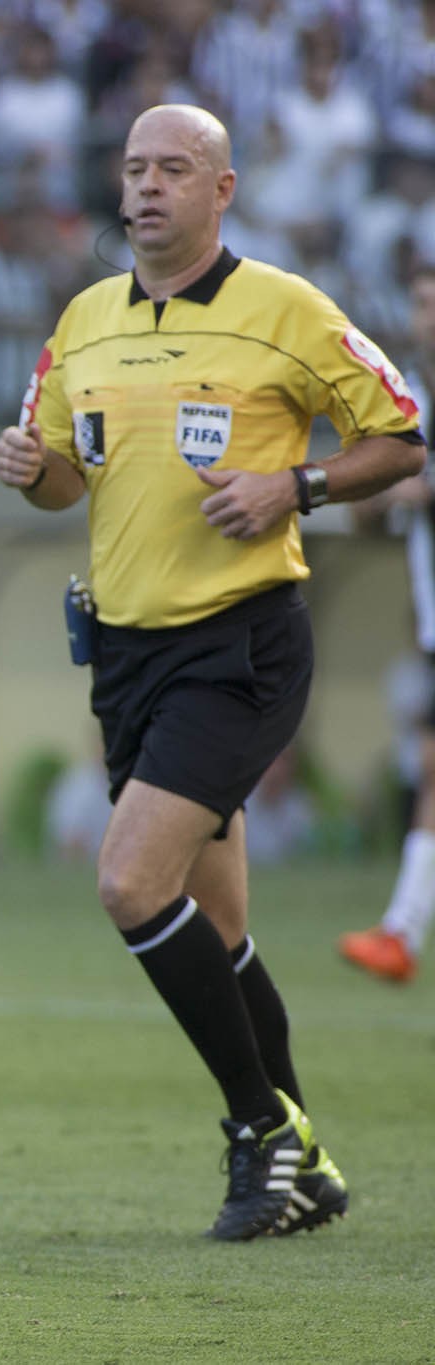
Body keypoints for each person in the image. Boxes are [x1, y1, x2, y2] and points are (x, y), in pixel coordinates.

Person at [0, 105, 423, 1241]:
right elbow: (60, 483)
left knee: (129, 884)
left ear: (220, 188)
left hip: (237, 645)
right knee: (215, 930)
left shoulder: (286, 310)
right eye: (132, 168)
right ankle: (308, 1161)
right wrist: (29, 468)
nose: (146, 188)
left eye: (173, 169)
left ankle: (258, 1129)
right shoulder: (83, 318)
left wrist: (299, 487)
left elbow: (401, 437)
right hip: (125, 654)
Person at [342, 260, 435, 985]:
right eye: (420, 303)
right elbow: (371, 510)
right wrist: (376, 500)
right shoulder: (407, 402)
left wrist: (418, 495)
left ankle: (402, 929)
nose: (425, 317)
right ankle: (401, 930)